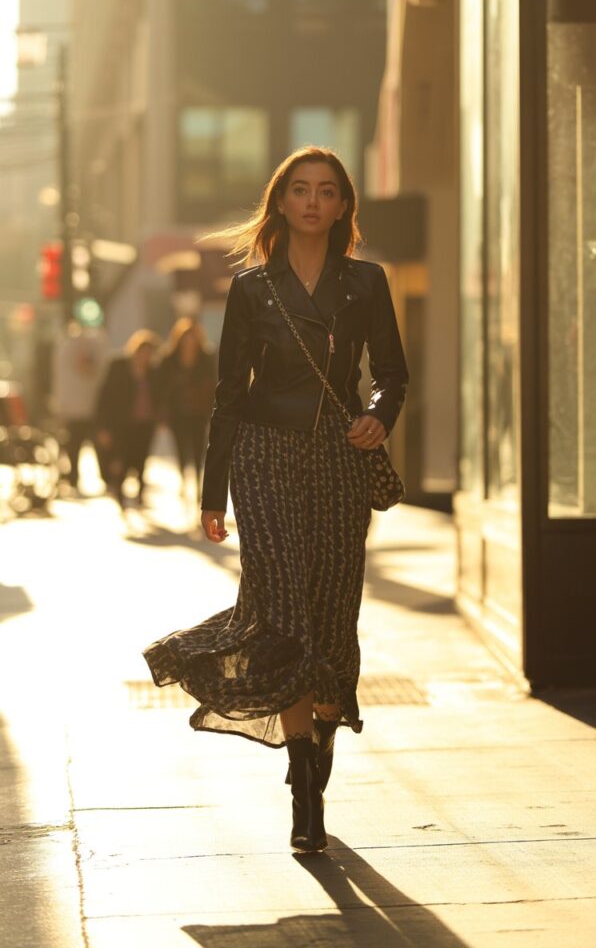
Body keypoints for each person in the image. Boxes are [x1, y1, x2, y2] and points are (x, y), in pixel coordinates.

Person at [143, 147, 408, 852]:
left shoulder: (367, 283)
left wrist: (379, 414)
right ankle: (302, 788)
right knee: (287, 615)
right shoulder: (253, 289)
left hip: (338, 460)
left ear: (344, 205)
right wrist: (210, 493)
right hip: (263, 458)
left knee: (328, 620)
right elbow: (228, 397)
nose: (314, 201)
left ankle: (317, 748)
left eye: (327, 191)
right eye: (301, 190)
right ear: (282, 203)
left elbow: (391, 374)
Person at [95, 329, 162, 508]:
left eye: (149, 353)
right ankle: (120, 492)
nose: (145, 357)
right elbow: (105, 396)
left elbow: (161, 396)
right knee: (121, 458)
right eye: (143, 352)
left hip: (145, 423)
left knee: (141, 459)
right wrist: (103, 426)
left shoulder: (154, 372)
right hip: (122, 423)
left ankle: (140, 492)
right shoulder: (118, 366)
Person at [158, 318, 216, 507]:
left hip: (199, 412)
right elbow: (161, 387)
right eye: (186, 338)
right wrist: (163, 414)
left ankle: (199, 487)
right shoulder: (169, 358)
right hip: (177, 413)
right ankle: (184, 481)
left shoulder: (206, 358)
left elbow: (214, 383)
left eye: (192, 337)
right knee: (181, 449)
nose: (189, 342)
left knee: (199, 450)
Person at [51, 322, 111, 492]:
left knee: (99, 448)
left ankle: (106, 477)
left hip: (94, 412)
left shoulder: (96, 349)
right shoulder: (67, 351)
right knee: (73, 448)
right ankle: (73, 479)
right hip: (74, 413)